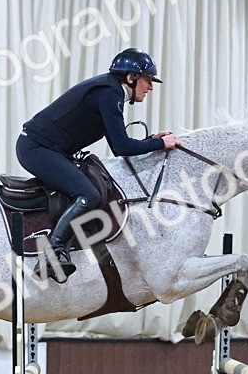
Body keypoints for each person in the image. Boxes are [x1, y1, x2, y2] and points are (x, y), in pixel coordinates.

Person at [17, 48, 178, 282]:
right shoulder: (109, 94)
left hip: (45, 148)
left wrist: (152, 141)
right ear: (131, 78)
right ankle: (53, 253)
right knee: (88, 194)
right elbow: (122, 148)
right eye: (148, 80)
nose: (151, 87)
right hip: (36, 149)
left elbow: (118, 144)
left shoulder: (110, 91)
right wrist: (161, 143)